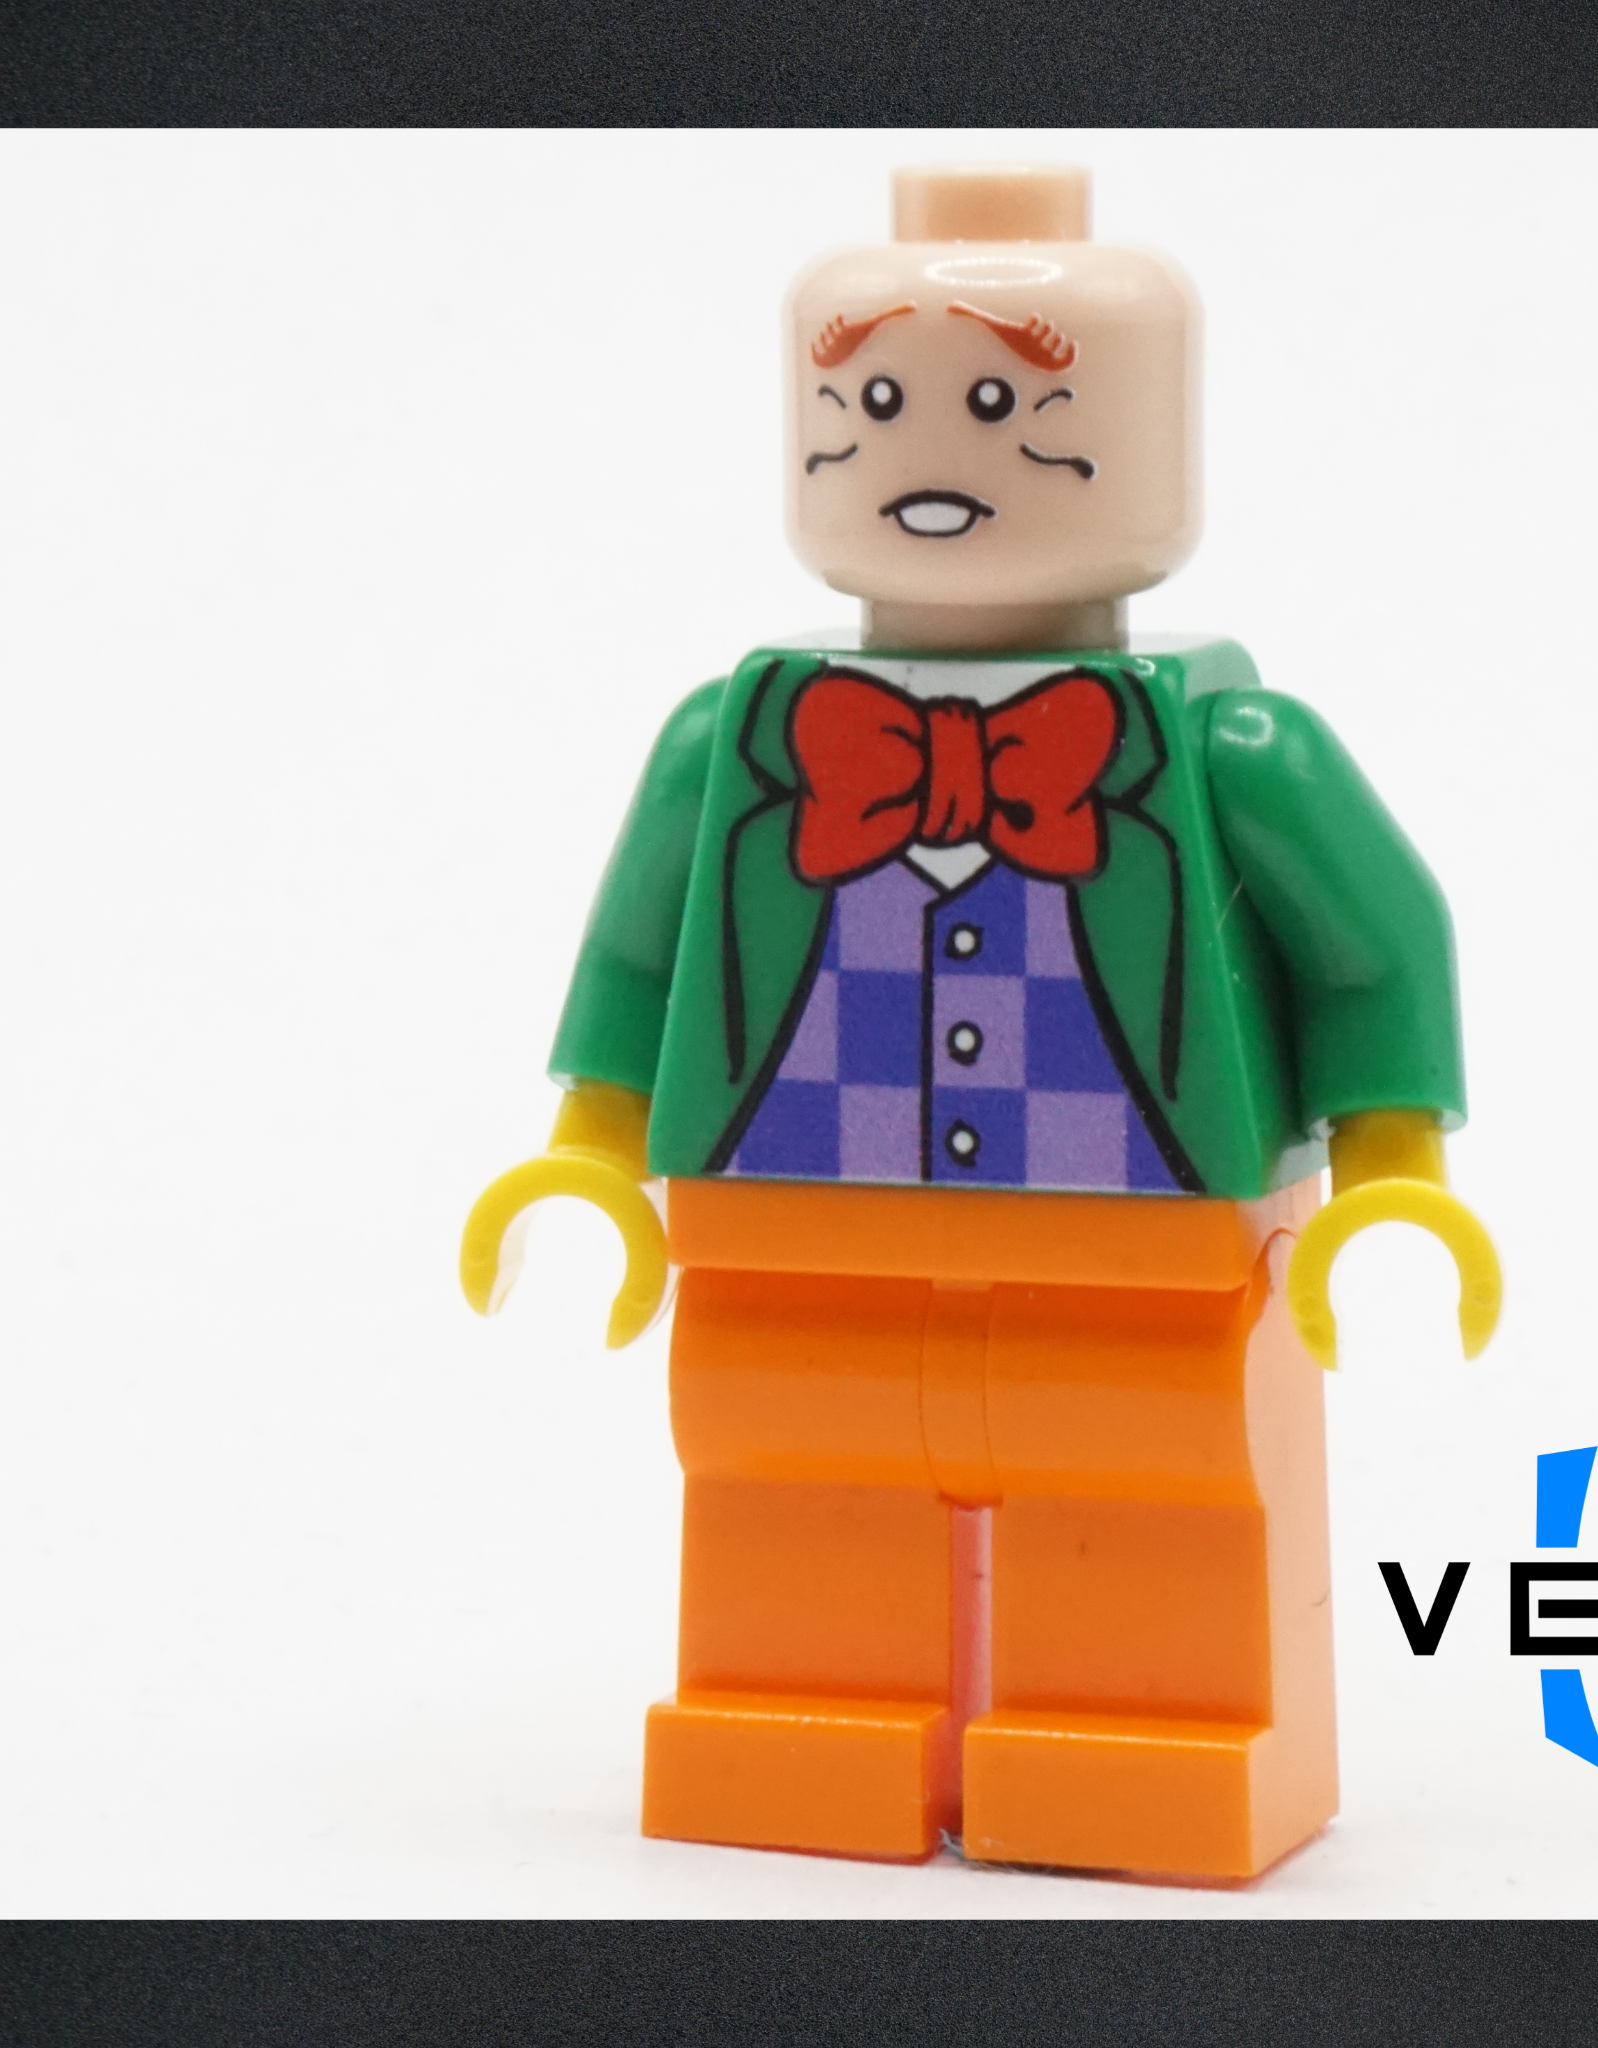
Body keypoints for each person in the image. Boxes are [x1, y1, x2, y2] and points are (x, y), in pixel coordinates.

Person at [462, 162, 1500, 1882]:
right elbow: (641, 955)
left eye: (1004, 404)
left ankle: (1140, 1735)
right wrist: (587, 1151)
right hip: (788, 1220)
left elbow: (1376, 948)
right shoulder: (740, 739)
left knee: (1147, 1473)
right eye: (873, 404)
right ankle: (798, 1713)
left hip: (1139, 1238)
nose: (928, 448)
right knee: (785, 1457)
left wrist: (1394, 1170)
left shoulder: (1227, 749)